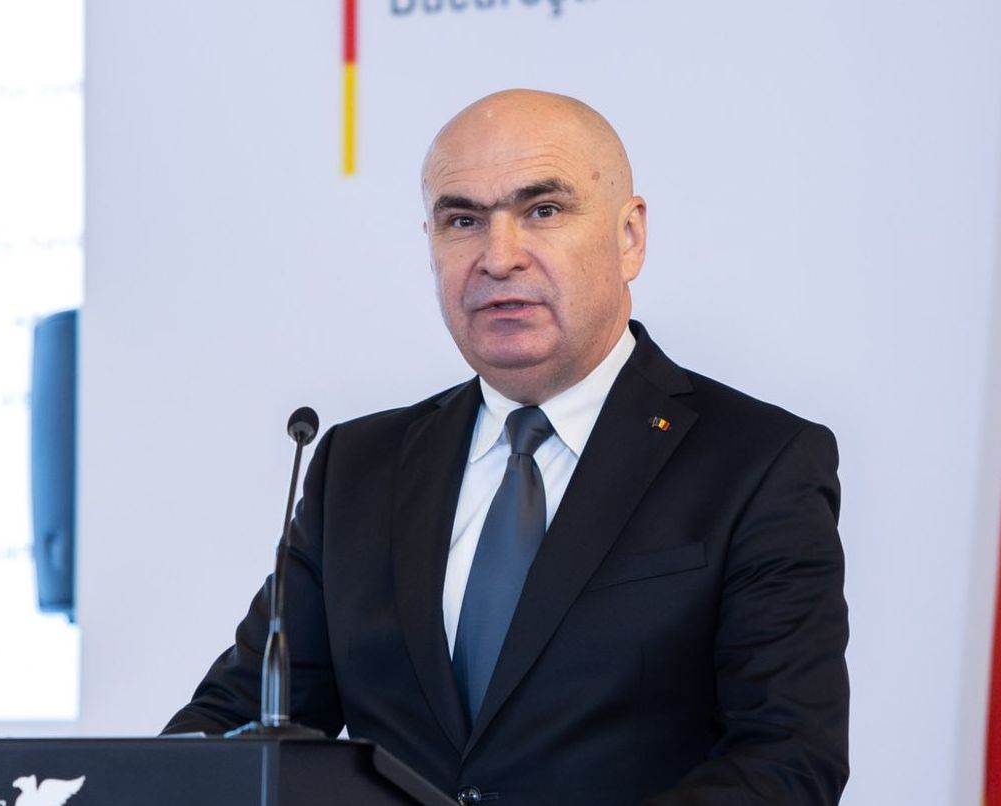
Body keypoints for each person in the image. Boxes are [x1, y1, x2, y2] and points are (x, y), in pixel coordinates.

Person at [164, 89, 849, 805]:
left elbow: (785, 760)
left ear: (629, 237)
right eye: (462, 220)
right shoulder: (357, 466)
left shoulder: (757, 462)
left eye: (542, 211)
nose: (498, 257)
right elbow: (242, 722)